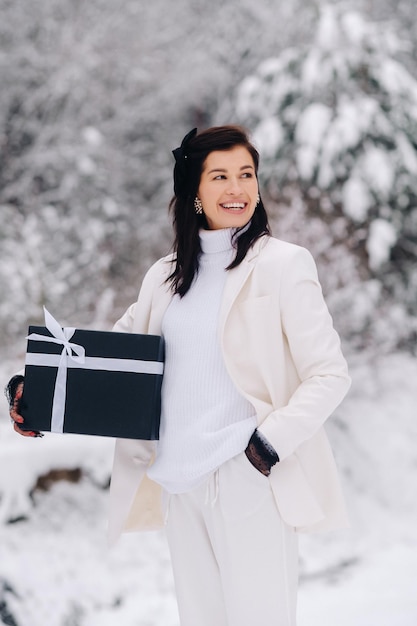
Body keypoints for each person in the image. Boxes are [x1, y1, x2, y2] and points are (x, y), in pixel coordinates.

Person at [9, 125, 351, 626]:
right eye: (220, 176)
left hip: (248, 480)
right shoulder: (165, 277)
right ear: (194, 191)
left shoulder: (282, 265)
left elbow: (329, 373)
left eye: (246, 175)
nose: (237, 189)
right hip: (179, 486)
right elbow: (107, 360)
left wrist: (265, 448)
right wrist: (32, 393)